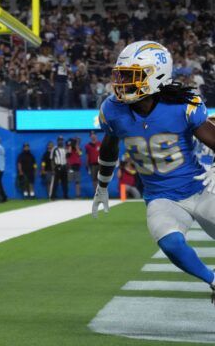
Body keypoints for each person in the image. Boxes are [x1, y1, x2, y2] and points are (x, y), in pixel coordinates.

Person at [92, 40, 215, 303]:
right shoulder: (113, 111)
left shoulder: (182, 105)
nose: (122, 82)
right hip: (162, 196)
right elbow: (109, 147)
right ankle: (213, 280)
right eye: (121, 75)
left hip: (199, 189)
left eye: (131, 76)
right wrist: (103, 184)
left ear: (156, 75)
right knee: (170, 243)